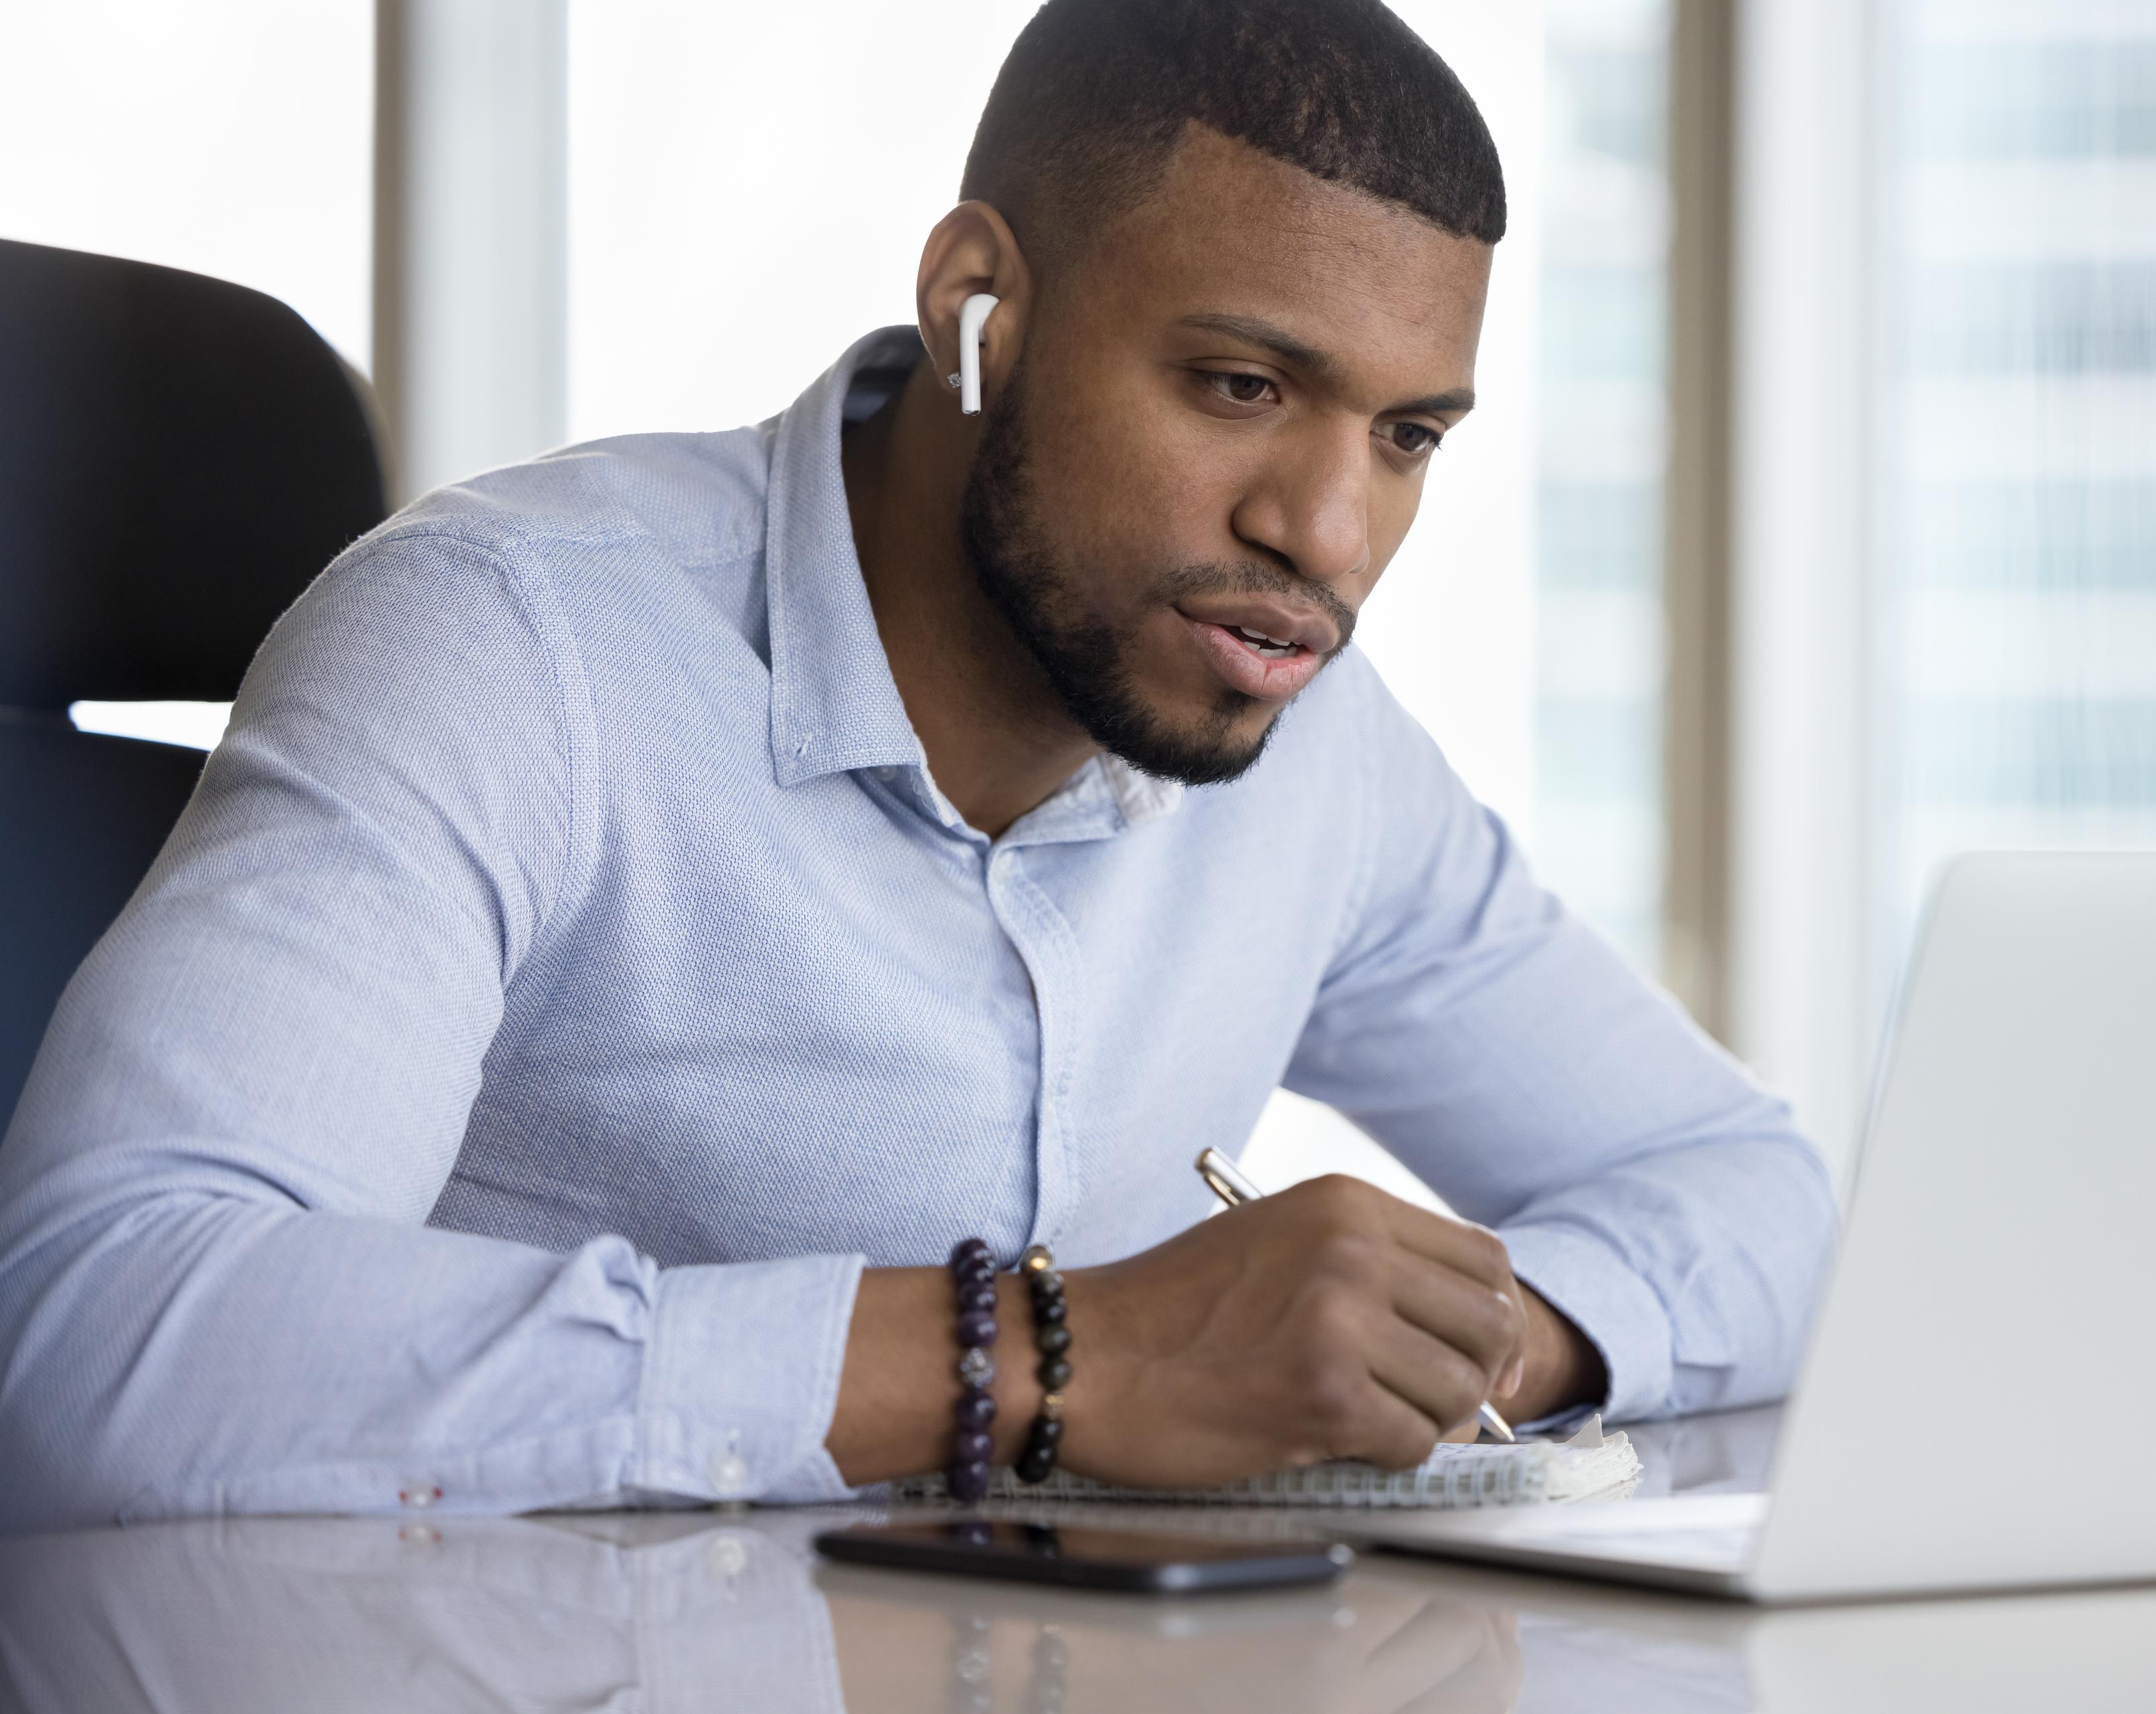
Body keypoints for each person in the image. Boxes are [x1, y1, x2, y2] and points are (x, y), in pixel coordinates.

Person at [0, 0, 1833, 1533]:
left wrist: (1458, 1345)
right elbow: (101, 1333)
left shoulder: (1318, 758)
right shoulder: (513, 645)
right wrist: (1052, 1356)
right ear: (981, 300)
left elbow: (1758, 1196)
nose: (1331, 533)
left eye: (1411, 433)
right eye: (1243, 387)